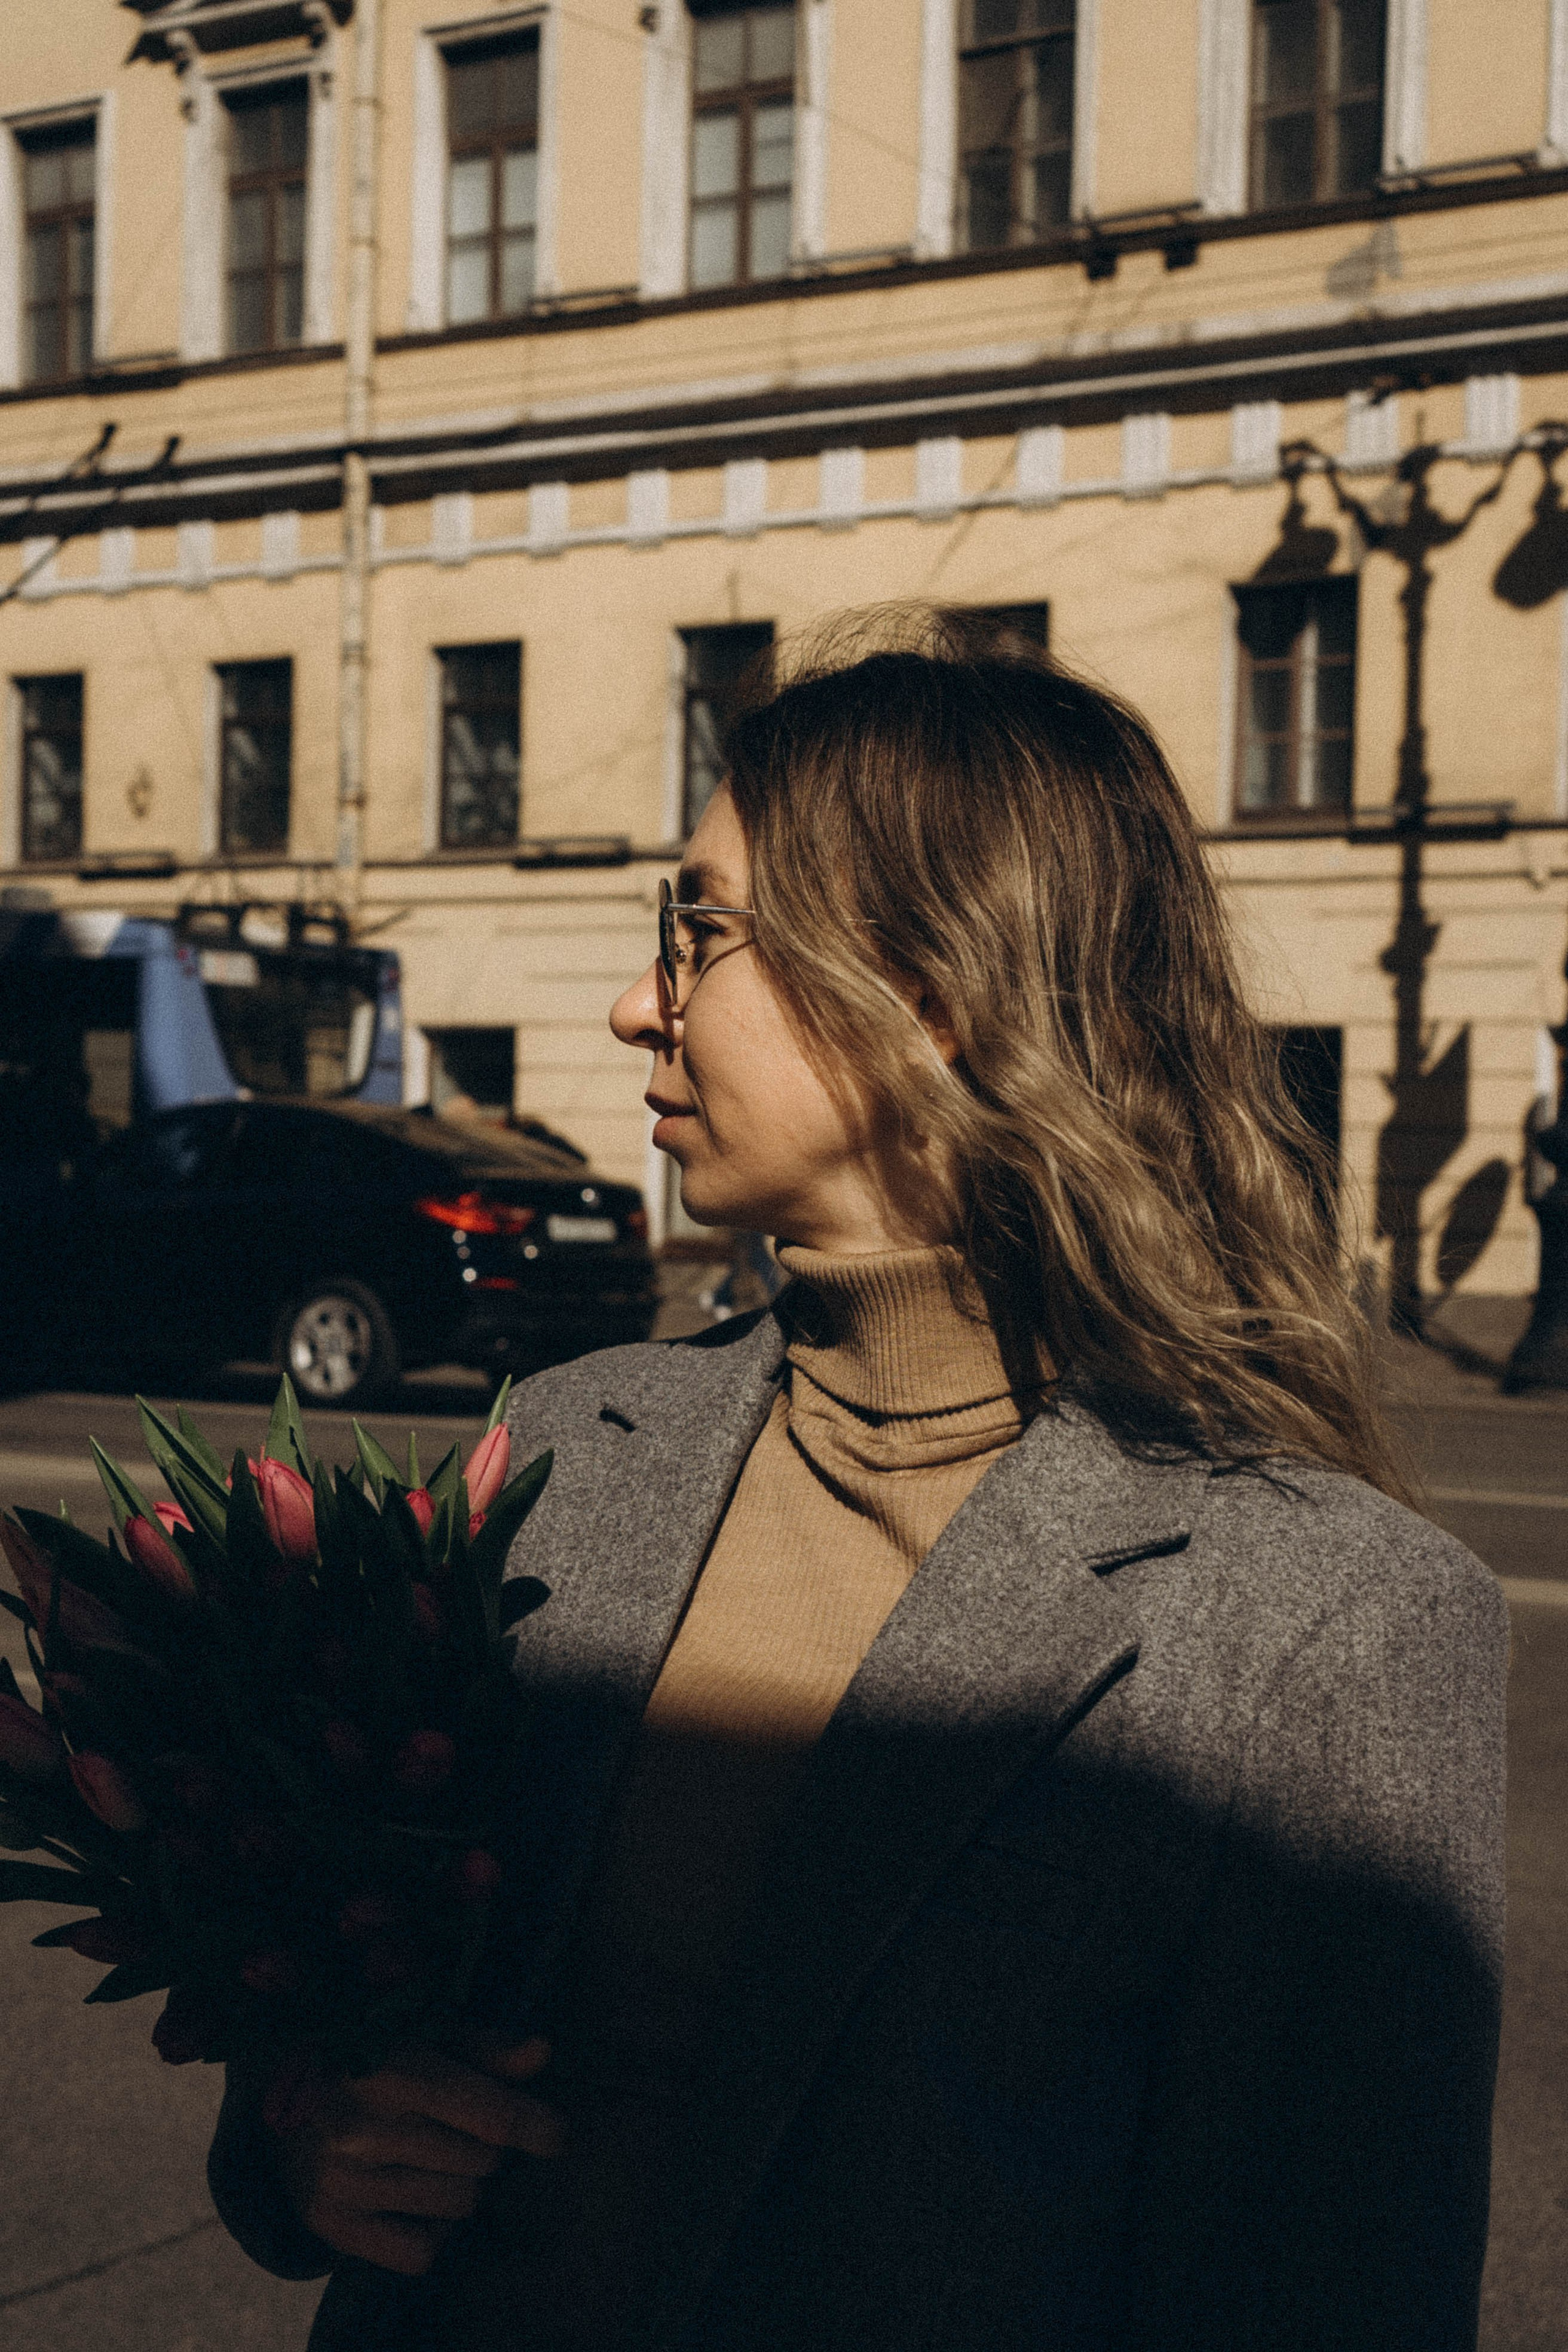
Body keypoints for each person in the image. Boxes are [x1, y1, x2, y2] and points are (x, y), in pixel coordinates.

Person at [211, 612, 1506, 2351]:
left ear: (941, 987)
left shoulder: (1330, 1621)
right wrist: (307, 2142)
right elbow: (348, 2011)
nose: (631, 1003)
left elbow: (1329, 2286)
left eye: (700, 934)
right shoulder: (570, 1444)